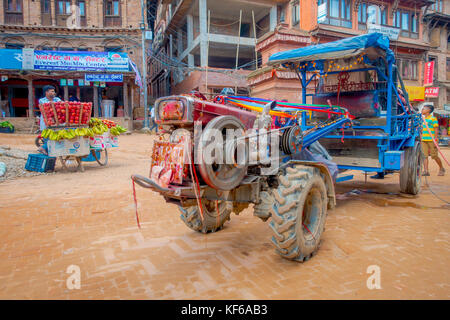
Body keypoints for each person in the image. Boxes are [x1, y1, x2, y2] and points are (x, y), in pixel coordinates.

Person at [421, 104, 445, 176]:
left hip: (431, 140)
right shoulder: (422, 119)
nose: (422, 110)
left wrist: (436, 139)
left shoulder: (433, 118)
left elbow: (436, 129)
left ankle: (441, 168)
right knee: (424, 156)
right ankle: (426, 171)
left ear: (428, 110)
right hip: (424, 140)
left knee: (434, 156)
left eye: (424, 108)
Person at [38, 85, 61, 155]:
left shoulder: (57, 99)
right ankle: (43, 149)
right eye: (52, 91)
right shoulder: (42, 100)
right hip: (45, 123)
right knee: (47, 138)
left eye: (54, 91)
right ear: (46, 92)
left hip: (56, 122)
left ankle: (45, 150)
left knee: (55, 137)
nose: (54, 93)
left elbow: (61, 106)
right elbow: (47, 108)